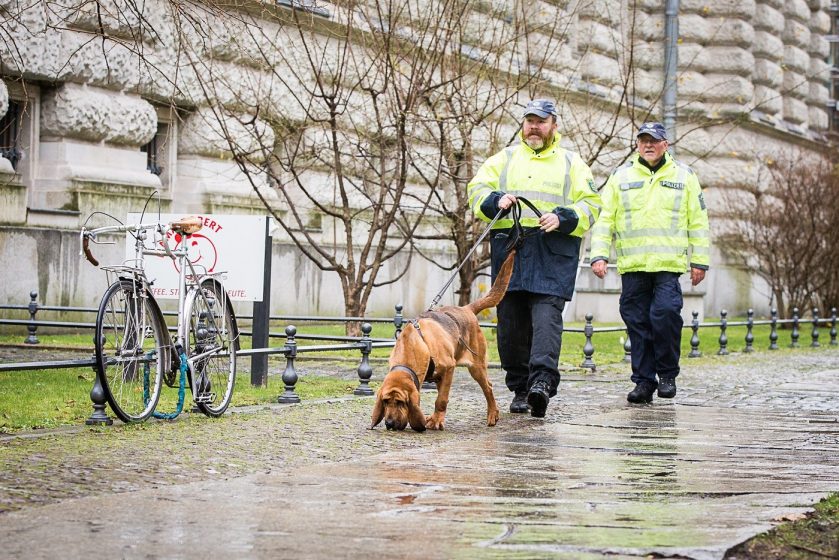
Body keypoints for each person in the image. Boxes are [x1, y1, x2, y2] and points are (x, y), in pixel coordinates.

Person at [467, 99, 602, 418]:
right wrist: (496, 200)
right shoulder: (504, 159)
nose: (534, 127)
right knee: (511, 323)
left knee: (545, 322)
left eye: (541, 121)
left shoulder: (572, 163)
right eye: (530, 120)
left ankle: (541, 383)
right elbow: (476, 191)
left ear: (554, 125)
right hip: (511, 250)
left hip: (552, 253)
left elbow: (591, 204)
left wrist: (563, 217)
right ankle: (520, 388)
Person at [589, 122, 710, 403]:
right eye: (643, 140)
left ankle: (667, 374)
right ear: (637, 145)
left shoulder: (684, 176)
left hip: (668, 265)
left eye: (654, 141)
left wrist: (700, 261)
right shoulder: (621, 176)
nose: (648, 145)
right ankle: (643, 381)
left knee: (665, 315)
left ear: (665, 144)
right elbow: (605, 219)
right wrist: (599, 254)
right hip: (633, 265)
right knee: (638, 323)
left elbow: (698, 221)